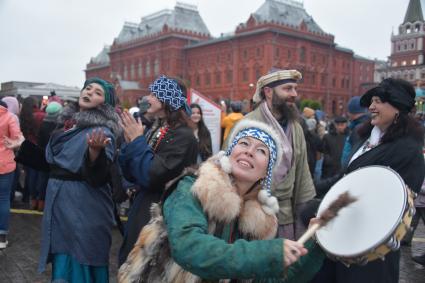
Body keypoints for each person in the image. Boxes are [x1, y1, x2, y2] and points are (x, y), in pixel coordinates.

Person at [119, 119, 325, 282]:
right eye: (244, 143)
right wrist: (267, 253)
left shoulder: (264, 224)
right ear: (230, 153)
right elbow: (189, 247)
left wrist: (316, 242)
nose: (249, 151)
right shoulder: (192, 187)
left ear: (266, 173)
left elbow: (270, 278)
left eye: (261, 150)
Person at [311, 78, 425, 283]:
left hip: (371, 251)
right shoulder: (366, 138)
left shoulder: (408, 151)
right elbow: (348, 178)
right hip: (344, 235)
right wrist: (313, 189)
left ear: (397, 107)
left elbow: (396, 206)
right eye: (371, 101)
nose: (371, 107)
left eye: (378, 101)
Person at [38, 77, 121, 282]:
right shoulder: (70, 126)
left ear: (105, 103)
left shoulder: (102, 132)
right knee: (63, 262)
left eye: (97, 92)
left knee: (80, 264)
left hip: (84, 211)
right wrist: (21, 147)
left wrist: (94, 152)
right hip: (62, 210)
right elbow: (56, 167)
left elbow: (98, 177)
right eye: (88, 88)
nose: (89, 92)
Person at [118, 75, 198, 266]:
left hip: (161, 214)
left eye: (154, 94)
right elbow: (133, 173)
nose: (148, 98)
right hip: (143, 206)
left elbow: (152, 175)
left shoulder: (183, 135)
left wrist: (137, 141)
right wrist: (129, 145)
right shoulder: (159, 128)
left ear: (166, 99)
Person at [244, 69, 316, 240]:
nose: (294, 94)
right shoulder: (247, 124)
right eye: (288, 88)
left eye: (295, 89)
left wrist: (304, 213)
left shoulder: (296, 127)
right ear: (268, 92)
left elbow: (302, 172)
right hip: (252, 216)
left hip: (286, 216)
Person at [0, 100, 22, 249]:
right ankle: (1, 239)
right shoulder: (10, 117)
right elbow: (18, 139)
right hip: (5, 163)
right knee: (3, 199)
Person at [35, 101, 63, 211]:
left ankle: (39, 202)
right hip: (55, 157)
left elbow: (40, 141)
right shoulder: (59, 126)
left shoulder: (43, 124)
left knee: (42, 180)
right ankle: (49, 204)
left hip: (42, 155)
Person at [340, 96, 369, 166]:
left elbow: (355, 152)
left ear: (351, 112)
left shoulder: (358, 129)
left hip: (352, 169)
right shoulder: (366, 124)